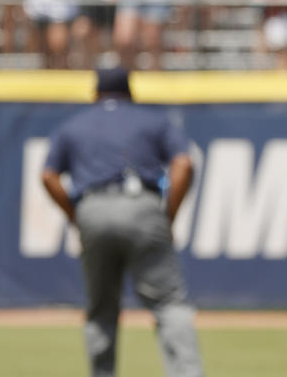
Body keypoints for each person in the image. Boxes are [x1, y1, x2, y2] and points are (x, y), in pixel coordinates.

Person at [40, 68, 204, 377]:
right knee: (169, 304)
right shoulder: (153, 120)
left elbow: (48, 175)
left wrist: (76, 216)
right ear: (131, 93)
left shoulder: (74, 125)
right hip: (142, 205)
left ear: (95, 94)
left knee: (101, 310)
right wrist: (168, 216)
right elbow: (183, 163)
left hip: (93, 207)